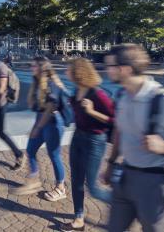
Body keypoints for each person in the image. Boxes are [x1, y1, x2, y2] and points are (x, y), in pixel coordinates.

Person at [101, 44, 164, 232]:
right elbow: (119, 130)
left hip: (157, 185)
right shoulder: (123, 95)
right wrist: (111, 163)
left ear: (125, 69)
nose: (107, 70)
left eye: (110, 66)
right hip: (125, 177)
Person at [60, 58, 114, 232]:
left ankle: (126, 204)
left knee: (92, 187)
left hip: (94, 141)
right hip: (78, 138)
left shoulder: (97, 94)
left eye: (69, 69)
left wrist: (92, 111)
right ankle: (78, 219)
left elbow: (114, 120)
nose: (66, 71)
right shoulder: (76, 91)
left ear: (79, 72)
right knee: (76, 181)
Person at [10, 56, 67, 202]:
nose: (31, 68)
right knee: (30, 150)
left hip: (53, 123)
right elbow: (39, 108)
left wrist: (37, 127)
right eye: (32, 65)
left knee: (54, 155)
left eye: (34, 66)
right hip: (41, 121)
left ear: (43, 67)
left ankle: (61, 188)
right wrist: (36, 126)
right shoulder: (37, 82)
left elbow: (50, 108)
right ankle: (33, 182)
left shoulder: (51, 83)